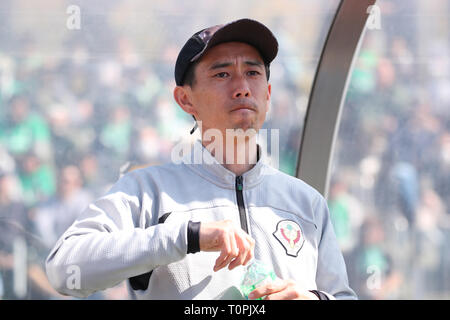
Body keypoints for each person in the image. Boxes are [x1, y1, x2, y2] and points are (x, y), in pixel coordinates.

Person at [45, 18, 356, 300]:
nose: (242, 88)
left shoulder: (308, 203)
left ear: (268, 92)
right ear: (185, 99)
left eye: (252, 72)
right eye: (222, 74)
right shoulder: (146, 191)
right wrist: (188, 235)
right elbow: (64, 269)